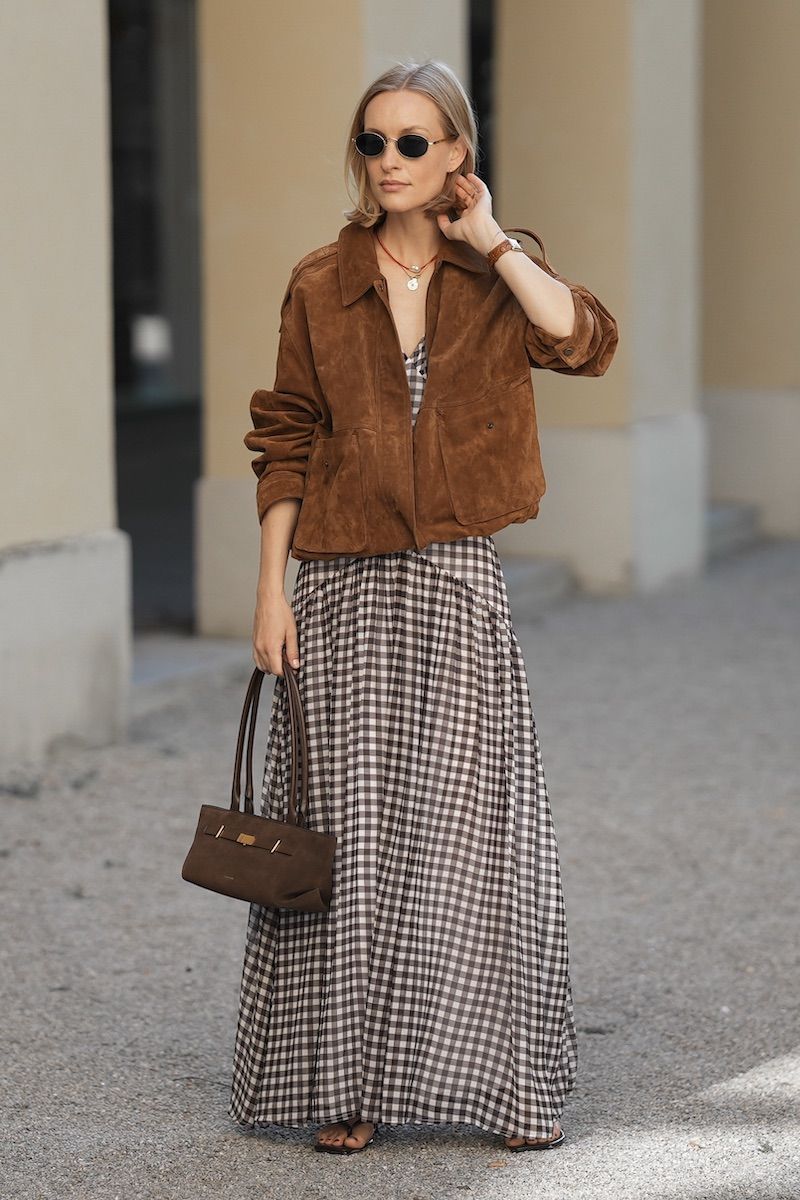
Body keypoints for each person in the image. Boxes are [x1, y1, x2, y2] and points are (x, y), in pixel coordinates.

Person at [230, 58, 618, 1156]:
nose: (389, 161)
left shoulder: (498, 273)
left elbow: (584, 343)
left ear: (456, 153)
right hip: (339, 585)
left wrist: (492, 240)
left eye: (412, 141)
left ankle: (506, 1088)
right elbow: (284, 438)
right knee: (345, 840)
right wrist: (269, 592)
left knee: (471, 835)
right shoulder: (321, 281)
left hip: (453, 582)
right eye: (373, 141)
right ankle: (347, 1085)